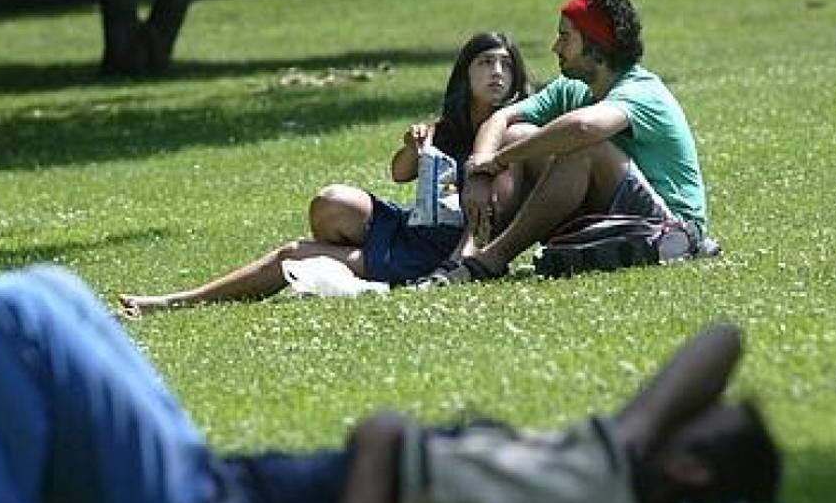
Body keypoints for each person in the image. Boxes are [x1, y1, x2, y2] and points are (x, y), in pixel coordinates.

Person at [0, 265, 781, 503]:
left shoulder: (603, 488)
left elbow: (720, 342)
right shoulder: (587, 492)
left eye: (706, 420)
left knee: (13, 312)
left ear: (687, 458)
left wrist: (382, 448)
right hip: (213, 486)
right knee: (54, 292)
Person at [116, 32, 532, 315]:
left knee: (291, 253)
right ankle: (348, 263)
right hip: (410, 227)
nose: (496, 72)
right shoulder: (447, 127)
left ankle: (175, 301)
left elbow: (490, 218)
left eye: (504, 66)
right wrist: (413, 147)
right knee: (332, 201)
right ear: (465, 74)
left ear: (515, 78)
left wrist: (458, 265)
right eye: (484, 62)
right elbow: (399, 174)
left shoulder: (514, 133)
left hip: (434, 254)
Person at [420, 0, 712, 286]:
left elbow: (583, 128)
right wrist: (479, 171)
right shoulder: (574, 88)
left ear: (596, 44)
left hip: (671, 226)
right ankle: (464, 255)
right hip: (613, 212)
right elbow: (502, 118)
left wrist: (499, 159)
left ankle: (491, 259)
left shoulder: (641, 91)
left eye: (565, 37)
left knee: (584, 148)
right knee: (518, 134)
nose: (555, 47)